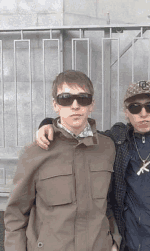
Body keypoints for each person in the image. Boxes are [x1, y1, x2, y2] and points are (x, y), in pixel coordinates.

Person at [36, 80, 150, 251]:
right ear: (126, 112)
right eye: (135, 107)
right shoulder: (117, 140)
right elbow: (79, 132)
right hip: (129, 244)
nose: (143, 113)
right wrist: (49, 124)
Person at [4, 70, 120, 251]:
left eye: (83, 98)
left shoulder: (107, 147)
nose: (75, 106)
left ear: (92, 105)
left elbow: (112, 202)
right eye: (66, 99)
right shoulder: (35, 152)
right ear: (55, 105)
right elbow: (16, 215)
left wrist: (115, 241)